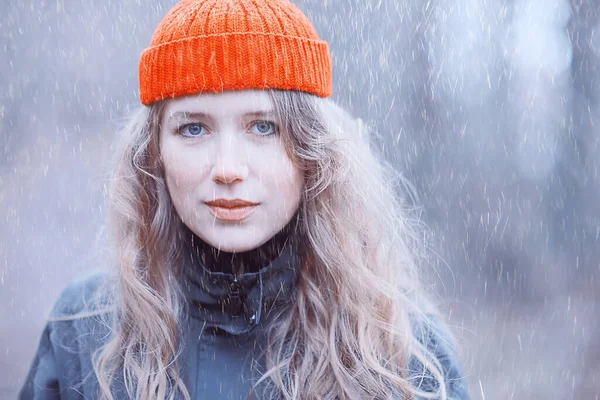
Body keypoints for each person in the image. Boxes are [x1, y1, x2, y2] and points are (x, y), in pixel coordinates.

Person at [19, 0, 470, 399]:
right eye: (193, 128)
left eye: (263, 127)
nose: (228, 168)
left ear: (313, 153)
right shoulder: (85, 329)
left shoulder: (400, 345)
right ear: (154, 153)